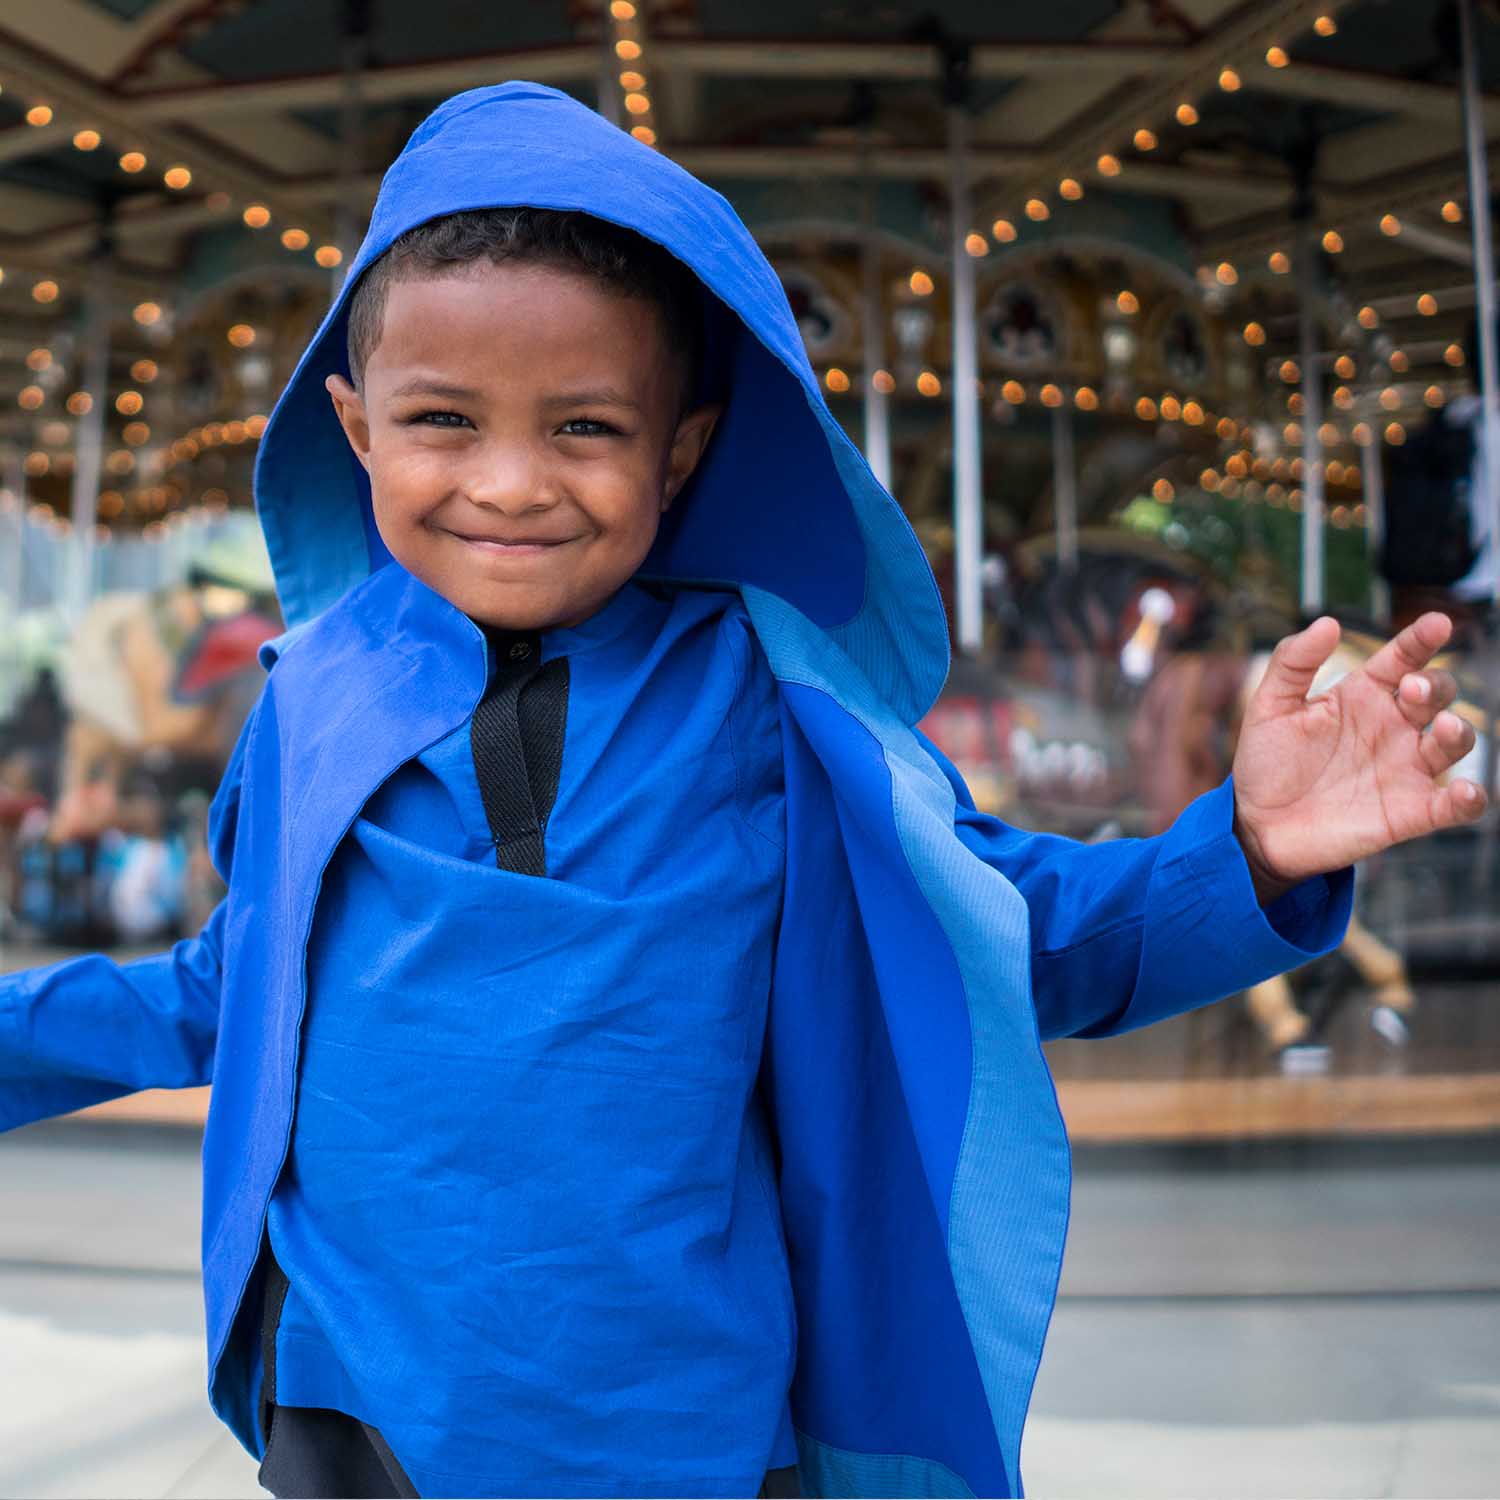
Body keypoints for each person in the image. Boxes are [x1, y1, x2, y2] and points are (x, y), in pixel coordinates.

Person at [0, 83, 1486, 1500]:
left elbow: (999, 937)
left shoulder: (766, 710)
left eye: (583, 426)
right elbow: (235, 988)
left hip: (678, 1424)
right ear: (354, 425)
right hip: (354, 1405)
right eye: (446, 419)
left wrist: (1249, 849)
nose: (511, 483)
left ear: (683, 447)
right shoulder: (308, 695)